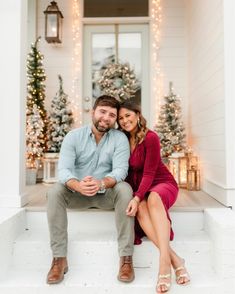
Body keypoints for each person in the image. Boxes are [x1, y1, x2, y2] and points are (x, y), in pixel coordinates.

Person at [46, 95, 135, 284]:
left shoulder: (119, 139)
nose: (106, 118)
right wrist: (77, 185)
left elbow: (121, 170)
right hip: (76, 194)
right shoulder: (73, 136)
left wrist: (101, 183)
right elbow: (64, 170)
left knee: (125, 189)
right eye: (103, 112)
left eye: (112, 115)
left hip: (106, 195)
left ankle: (126, 259)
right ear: (93, 111)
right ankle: (59, 259)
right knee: (54, 191)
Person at [118, 101, 190, 293]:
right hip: (142, 188)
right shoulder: (122, 139)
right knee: (141, 207)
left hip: (162, 183)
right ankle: (176, 259)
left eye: (128, 115)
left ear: (137, 114)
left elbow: (149, 173)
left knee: (153, 199)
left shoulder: (151, 137)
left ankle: (164, 264)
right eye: (121, 118)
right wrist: (135, 197)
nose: (125, 121)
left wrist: (137, 196)